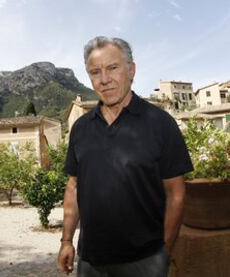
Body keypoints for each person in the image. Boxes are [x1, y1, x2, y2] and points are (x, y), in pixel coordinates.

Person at [57, 36, 193, 277]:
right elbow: (74, 186)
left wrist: (164, 253)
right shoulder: (81, 128)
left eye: (113, 68)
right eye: (95, 72)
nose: (105, 79)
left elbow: (176, 194)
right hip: (91, 262)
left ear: (131, 70)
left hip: (145, 262)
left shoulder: (161, 124)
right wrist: (67, 240)